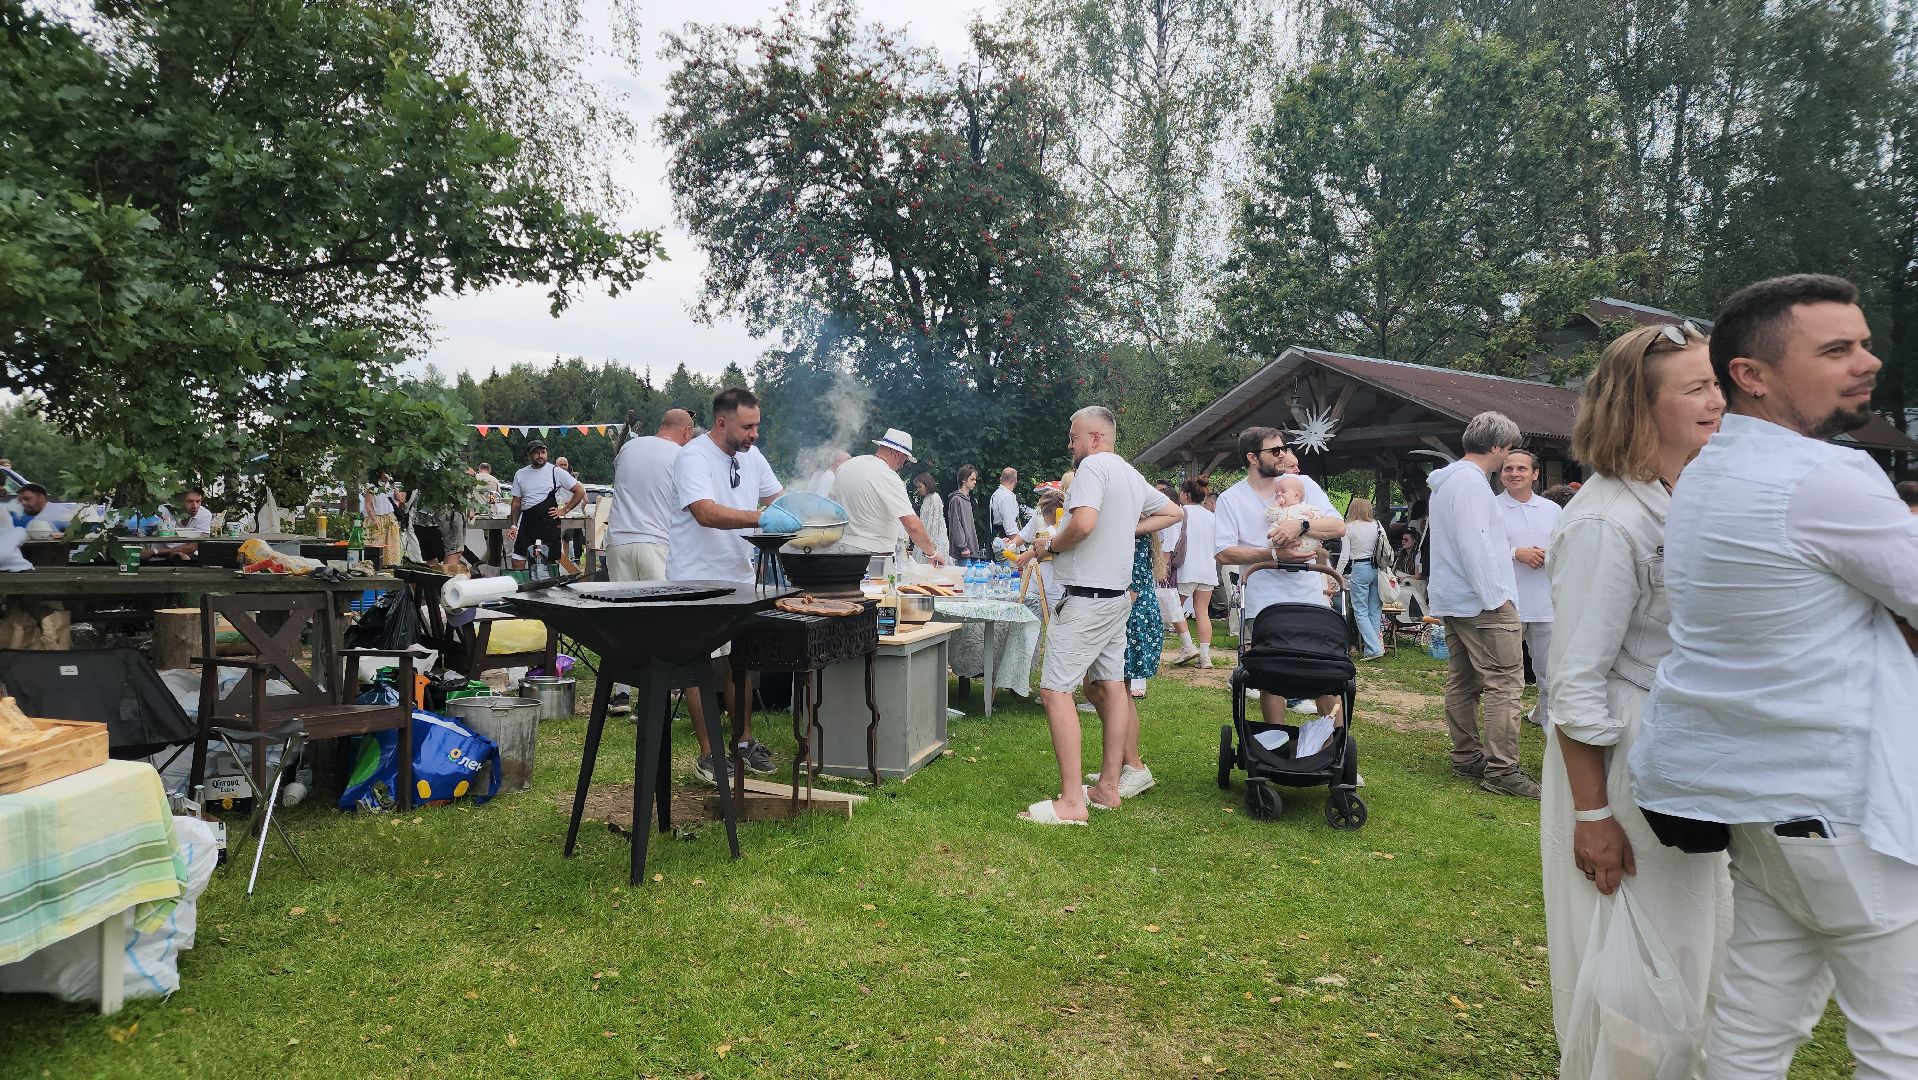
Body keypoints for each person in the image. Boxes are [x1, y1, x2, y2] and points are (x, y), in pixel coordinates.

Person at [1629, 274, 1918, 1076]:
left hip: (1763, 804)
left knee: (1754, 1031)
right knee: (1903, 1044)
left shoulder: (1710, 474)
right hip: (1847, 806)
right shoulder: (1824, 478)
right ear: (1751, 374)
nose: (1868, 361)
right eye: (1836, 350)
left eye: (1863, 342)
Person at [1539, 320, 1734, 1063]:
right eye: (1698, 388)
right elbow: (1575, 686)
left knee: (1695, 945)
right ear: (1638, 406)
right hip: (1626, 758)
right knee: (1638, 958)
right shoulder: (1605, 522)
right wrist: (1594, 815)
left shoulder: (1684, 493)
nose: (1720, 399)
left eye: (1718, 382)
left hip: (1691, 748)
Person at [1019, 407, 1181, 824]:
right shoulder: (1128, 473)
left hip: (1088, 599)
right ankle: (1108, 788)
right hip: (1117, 598)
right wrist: (1124, 527)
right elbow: (1173, 512)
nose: (1069, 445)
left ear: (1093, 438)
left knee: (1056, 691)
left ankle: (1072, 803)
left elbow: (1084, 523)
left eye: (1073, 437)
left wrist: (1049, 546)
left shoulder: (1092, 467)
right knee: (1112, 687)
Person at [667, 387, 783, 783]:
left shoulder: (752, 457)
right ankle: (709, 754)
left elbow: (777, 499)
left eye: (757, 426)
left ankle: (744, 743)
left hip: (738, 575)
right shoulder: (693, 456)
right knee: (703, 664)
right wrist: (760, 518)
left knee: (741, 662)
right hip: (694, 577)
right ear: (722, 423)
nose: (755, 435)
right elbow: (704, 512)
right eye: (748, 427)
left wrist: (805, 515)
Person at [1428, 411, 1538, 799]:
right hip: (1481, 602)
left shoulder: (1446, 482)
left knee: (1464, 680)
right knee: (1506, 683)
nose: (1507, 456)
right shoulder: (1471, 485)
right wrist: (1497, 597)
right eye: (1507, 448)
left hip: (1455, 600)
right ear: (1495, 446)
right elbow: (1474, 545)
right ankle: (1503, 771)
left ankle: (1467, 756)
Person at [1214, 428, 1347, 730]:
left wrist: (1301, 525)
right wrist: (1272, 556)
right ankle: (1275, 742)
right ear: (1252, 457)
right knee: (1270, 676)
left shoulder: (1303, 485)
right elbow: (1223, 552)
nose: (1284, 455)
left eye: (1284, 449)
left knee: (1324, 671)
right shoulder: (1231, 499)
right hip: (1265, 600)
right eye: (1275, 451)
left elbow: (1338, 526)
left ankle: (1335, 744)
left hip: (1310, 594)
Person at [1497, 449, 1561, 726]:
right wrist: (1515, 553)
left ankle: (1548, 724)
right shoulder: (1491, 507)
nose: (1514, 474)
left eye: (1521, 469)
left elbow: (1567, 546)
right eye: (1508, 468)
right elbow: (1478, 548)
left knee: (1549, 672)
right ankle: (1502, 732)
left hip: (1546, 602)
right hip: (1505, 602)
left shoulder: (1552, 510)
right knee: (1504, 676)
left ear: (1535, 474)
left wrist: (1551, 554)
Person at [607, 409, 696, 581]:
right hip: (656, 543)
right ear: (687, 431)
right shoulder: (682, 455)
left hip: (617, 542)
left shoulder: (628, 447)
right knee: (660, 607)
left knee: (623, 607)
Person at [831, 429, 945, 563]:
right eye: (905, 460)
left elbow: (831, 504)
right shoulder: (887, 475)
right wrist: (932, 554)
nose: (903, 465)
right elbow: (913, 525)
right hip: (872, 556)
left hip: (841, 550)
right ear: (898, 454)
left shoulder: (846, 467)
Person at [506, 442, 583, 569]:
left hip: (548, 522)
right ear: (529, 455)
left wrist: (565, 510)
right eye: (536, 453)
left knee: (547, 562)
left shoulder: (556, 471)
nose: (540, 456)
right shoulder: (520, 474)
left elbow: (579, 491)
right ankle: (521, 587)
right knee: (518, 560)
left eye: (543, 452)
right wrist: (513, 525)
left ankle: (550, 587)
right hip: (527, 522)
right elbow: (516, 502)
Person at [1334, 497, 1386, 660]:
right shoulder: (1377, 525)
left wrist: (1336, 574)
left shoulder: (1348, 528)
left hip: (1360, 568)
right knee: (1374, 610)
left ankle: (1375, 648)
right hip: (1377, 568)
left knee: (1360, 610)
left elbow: (1344, 556)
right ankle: (1372, 648)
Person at [1173, 479, 1217, 667]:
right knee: (1202, 612)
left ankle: (1188, 645)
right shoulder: (1211, 516)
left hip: (1186, 569)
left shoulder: (1180, 513)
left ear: (1185, 495)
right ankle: (1205, 656)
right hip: (1208, 568)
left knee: (1174, 608)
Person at [362, 468, 408, 562]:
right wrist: (374, 519)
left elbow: (399, 498)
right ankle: (374, 563)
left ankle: (389, 564)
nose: (387, 475)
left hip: (389, 517)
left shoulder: (390, 486)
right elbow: (368, 503)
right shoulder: (371, 487)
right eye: (385, 473)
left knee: (391, 542)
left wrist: (395, 488)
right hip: (377, 516)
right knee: (376, 542)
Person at [947, 465, 981, 562]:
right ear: (963, 480)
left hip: (971, 550)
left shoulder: (968, 500)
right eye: (972, 479)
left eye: (975, 479)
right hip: (963, 552)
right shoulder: (956, 499)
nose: (975, 482)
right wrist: (963, 547)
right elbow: (956, 525)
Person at [11, 484, 78, 532]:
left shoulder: (60, 515)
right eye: (20, 500)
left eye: (27, 499)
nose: (23, 503)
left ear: (42, 498)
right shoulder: (21, 516)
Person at [913, 473, 947, 558]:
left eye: (920, 487)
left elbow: (935, 523)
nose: (918, 489)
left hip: (933, 542)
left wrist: (931, 544)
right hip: (926, 539)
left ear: (927, 485)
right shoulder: (928, 498)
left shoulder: (934, 498)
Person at [990, 467, 1021, 546]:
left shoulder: (996, 494)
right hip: (1007, 542)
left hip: (998, 540)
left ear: (1001, 479)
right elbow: (1010, 529)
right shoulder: (1006, 497)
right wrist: (1020, 548)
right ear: (1015, 480)